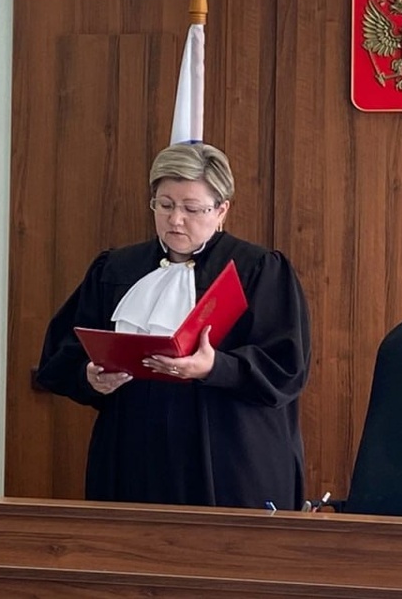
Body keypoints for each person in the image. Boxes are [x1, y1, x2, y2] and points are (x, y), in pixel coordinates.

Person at [36, 142, 310, 510]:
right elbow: (61, 355)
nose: (175, 219)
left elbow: (287, 367)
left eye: (192, 209)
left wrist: (215, 366)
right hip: (132, 456)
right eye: (164, 205)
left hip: (230, 460)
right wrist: (89, 377)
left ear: (221, 210)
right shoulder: (116, 269)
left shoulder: (258, 270)